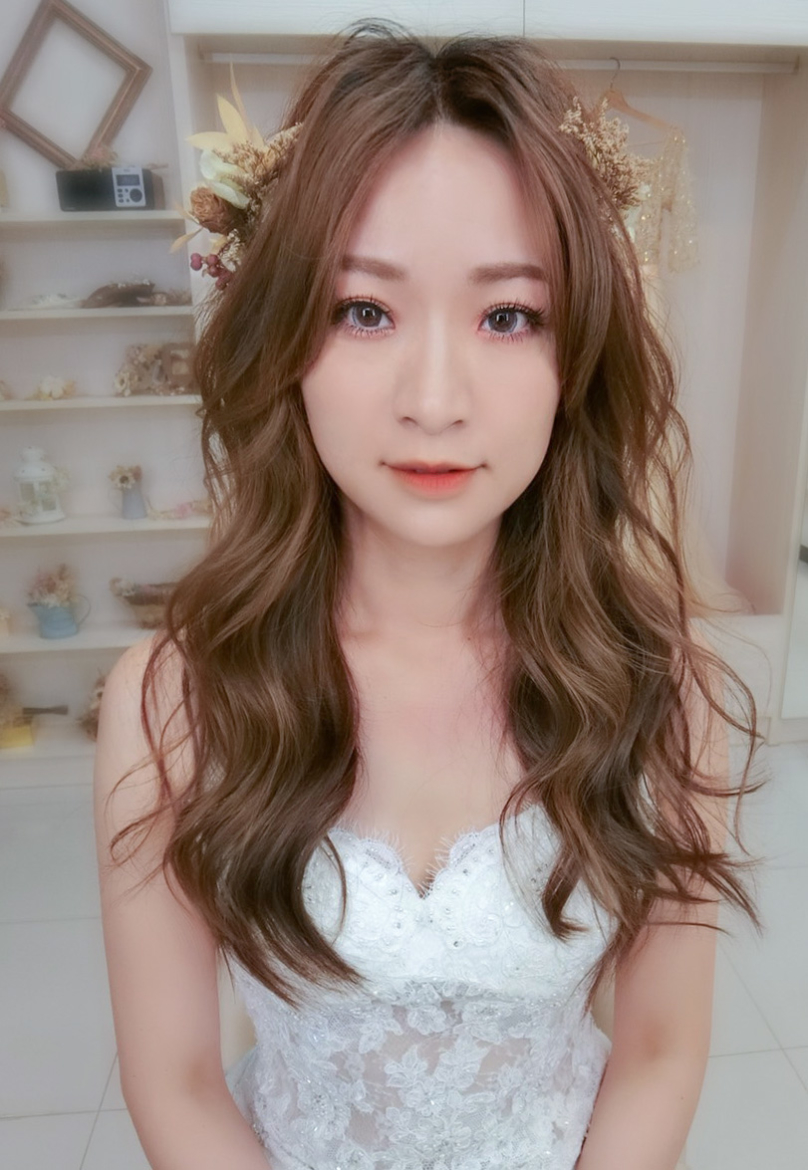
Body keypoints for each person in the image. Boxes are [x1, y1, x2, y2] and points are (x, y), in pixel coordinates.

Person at [93, 22, 766, 1170]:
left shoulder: (662, 687)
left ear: (575, 355)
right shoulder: (171, 700)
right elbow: (177, 1082)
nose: (436, 398)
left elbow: (658, 1052)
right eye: (365, 310)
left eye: (508, 315)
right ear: (285, 340)